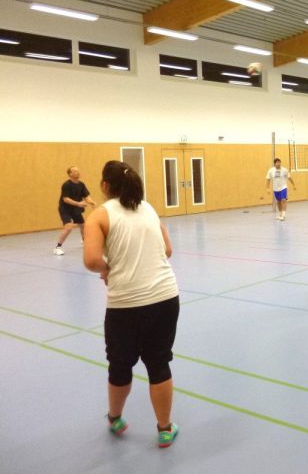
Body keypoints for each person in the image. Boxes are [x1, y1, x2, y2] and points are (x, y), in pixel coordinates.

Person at [83, 160, 180, 448]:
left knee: (120, 365)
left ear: (105, 186)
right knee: (159, 363)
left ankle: (115, 418)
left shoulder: (99, 216)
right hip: (165, 297)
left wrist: (108, 269)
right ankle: (165, 429)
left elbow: (91, 259)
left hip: (125, 304)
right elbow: (168, 250)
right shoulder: (148, 209)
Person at [54, 166, 96, 255]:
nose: (78, 173)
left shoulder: (81, 184)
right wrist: (78, 204)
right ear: (70, 174)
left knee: (83, 226)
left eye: (78, 171)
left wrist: (91, 202)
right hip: (65, 209)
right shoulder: (66, 185)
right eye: (75, 171)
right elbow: (65, 199)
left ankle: (84, 241)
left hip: (75, 209)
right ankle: (57, 247)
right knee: (68, 227)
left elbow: (86, 196)